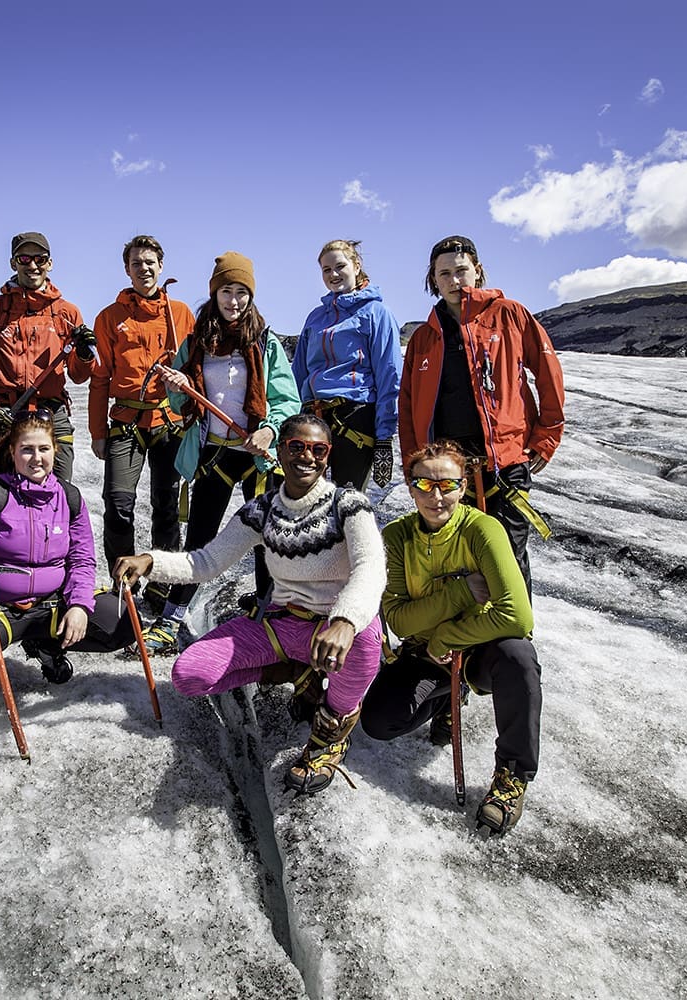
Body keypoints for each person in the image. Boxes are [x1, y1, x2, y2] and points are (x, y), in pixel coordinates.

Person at [115, 413, 386, 795]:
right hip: (283, 624)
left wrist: (345, 620)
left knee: (365, 639)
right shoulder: (262, 511)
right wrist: (150, 562)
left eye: (318, 449)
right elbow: (207, 562)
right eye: (297, 446)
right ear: (280, 451)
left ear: (328, 455)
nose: (307, 456)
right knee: (190, 675)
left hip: (336, 629)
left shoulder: (349, 505)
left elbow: (371, 566)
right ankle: (294, 670)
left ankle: (330, 734)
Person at [360, 440, 541, 835]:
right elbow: (399, 620)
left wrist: (446, 637)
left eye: (448, 485)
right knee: (379, 721)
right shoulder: (397, 537)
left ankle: (512, 775)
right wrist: (460, 593)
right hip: (424, 652)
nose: (436, 496)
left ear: (463, 487)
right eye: (424, 485)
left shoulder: (483, 530)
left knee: (519, 656)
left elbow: (517, 616)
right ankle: (448, 696)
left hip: (478, 648)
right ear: (411, 488)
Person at [141, 251, 301, 653]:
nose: (234, 300)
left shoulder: (264, 342)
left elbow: (287, 399)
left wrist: (269, 429)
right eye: (227, 291)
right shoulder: (197, 343)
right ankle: (172, 617)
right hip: (214, 456)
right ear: (215, 293)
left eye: (242, 292)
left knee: (267, 539)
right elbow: (182, 405)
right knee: (200, 539)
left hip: (258, 458)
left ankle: (267, 614)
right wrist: (177, 390)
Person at [0, 409, 137, 706]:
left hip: (49, 605)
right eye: (27, 449)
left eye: (43, 449)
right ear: (12, 451)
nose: (36, 458)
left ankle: (46, 644)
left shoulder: (69, 498)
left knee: (123, 623)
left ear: (55, 450)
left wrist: (79, 605)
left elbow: (82, 560)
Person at [398, 235, 565, 586]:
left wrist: (547, 435)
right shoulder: (424, 337)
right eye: (444, 274)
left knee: (507, 557)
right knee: (455, 559)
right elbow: (408, 405)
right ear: (433, 279)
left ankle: (514, 622)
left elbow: (548, 371)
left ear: (477, 270)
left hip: (504, 463)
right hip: (446, 470)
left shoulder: (510, 315)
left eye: (461, 271)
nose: (454, 281)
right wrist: (414, 463)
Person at [88, 235, 195, 598]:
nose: (144, 269)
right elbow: (100, 377)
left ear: (161, 266)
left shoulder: (181, 314)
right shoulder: (109, 317)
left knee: (166, 505)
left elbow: (195, 370)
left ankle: (161, 582)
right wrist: (97, 431)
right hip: (126, 423)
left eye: (150, 262)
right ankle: (123, 582)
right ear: (127, 269)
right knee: (118, 505)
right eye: (136, 263)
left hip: (169, 423)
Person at [0, 231, 94, 483]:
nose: (33, 265)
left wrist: (84, 355)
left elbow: (79, 375)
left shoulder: (67, 312)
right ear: (13, 263)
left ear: (50, 263)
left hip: (51, 411)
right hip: (4, 411)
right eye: (24, 259)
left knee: (60, 489)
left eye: (40, 259)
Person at [292, 239, 403, 492]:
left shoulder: (376, 313)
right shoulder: (315, 317)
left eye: (340, 266)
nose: (333, 274)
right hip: (313, 416)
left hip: (355, 416)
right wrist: (291, 422)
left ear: (356, 266)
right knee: (306, 498)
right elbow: (298, 373)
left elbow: (389, 375)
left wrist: (384, 436)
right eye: (326, 270)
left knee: (347, 500)